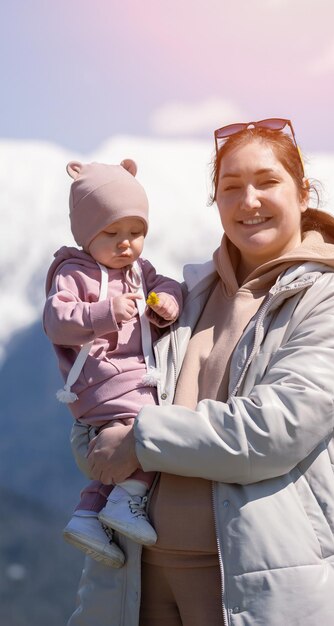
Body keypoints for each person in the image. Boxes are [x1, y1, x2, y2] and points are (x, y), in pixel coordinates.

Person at [68, 119, 334, 626]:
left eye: (267, 182)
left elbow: (272, 432)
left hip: (250, 586)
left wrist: (139, 439)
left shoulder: (326, 302)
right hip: (136, 578)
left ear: (303, 192)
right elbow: (108, 396)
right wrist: (96, 436)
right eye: (230, 188)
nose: (248, 200)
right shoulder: (182, 296)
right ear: (217, 202)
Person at [44, 159, 183, 569]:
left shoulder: (139, 272)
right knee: (150, 427)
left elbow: (166, 285)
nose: (127, 243)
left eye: (136, 232)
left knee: (145, 425)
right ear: (86, 232)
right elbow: (56, 321)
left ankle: (88, 515)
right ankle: (127, 501)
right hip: (97, 378)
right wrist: (105, 312)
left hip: (134, 375)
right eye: (112, 232)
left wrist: (166, 304)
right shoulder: (74, 273)